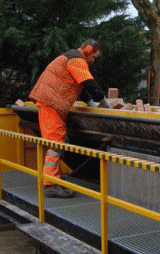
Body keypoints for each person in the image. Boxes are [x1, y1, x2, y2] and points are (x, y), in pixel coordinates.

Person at [28, 39, 112, 198]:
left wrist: (91, 104)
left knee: (57, 141)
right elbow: (89, 82)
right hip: (51, 103)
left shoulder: (70, 59)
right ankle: (50, 184)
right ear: (87, 50)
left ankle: (54, 177)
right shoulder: (77, 60)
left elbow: (80, 87)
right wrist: (104, 102)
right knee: (56, 142)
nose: (93, 60)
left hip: (50, 103)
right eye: (94, 56)